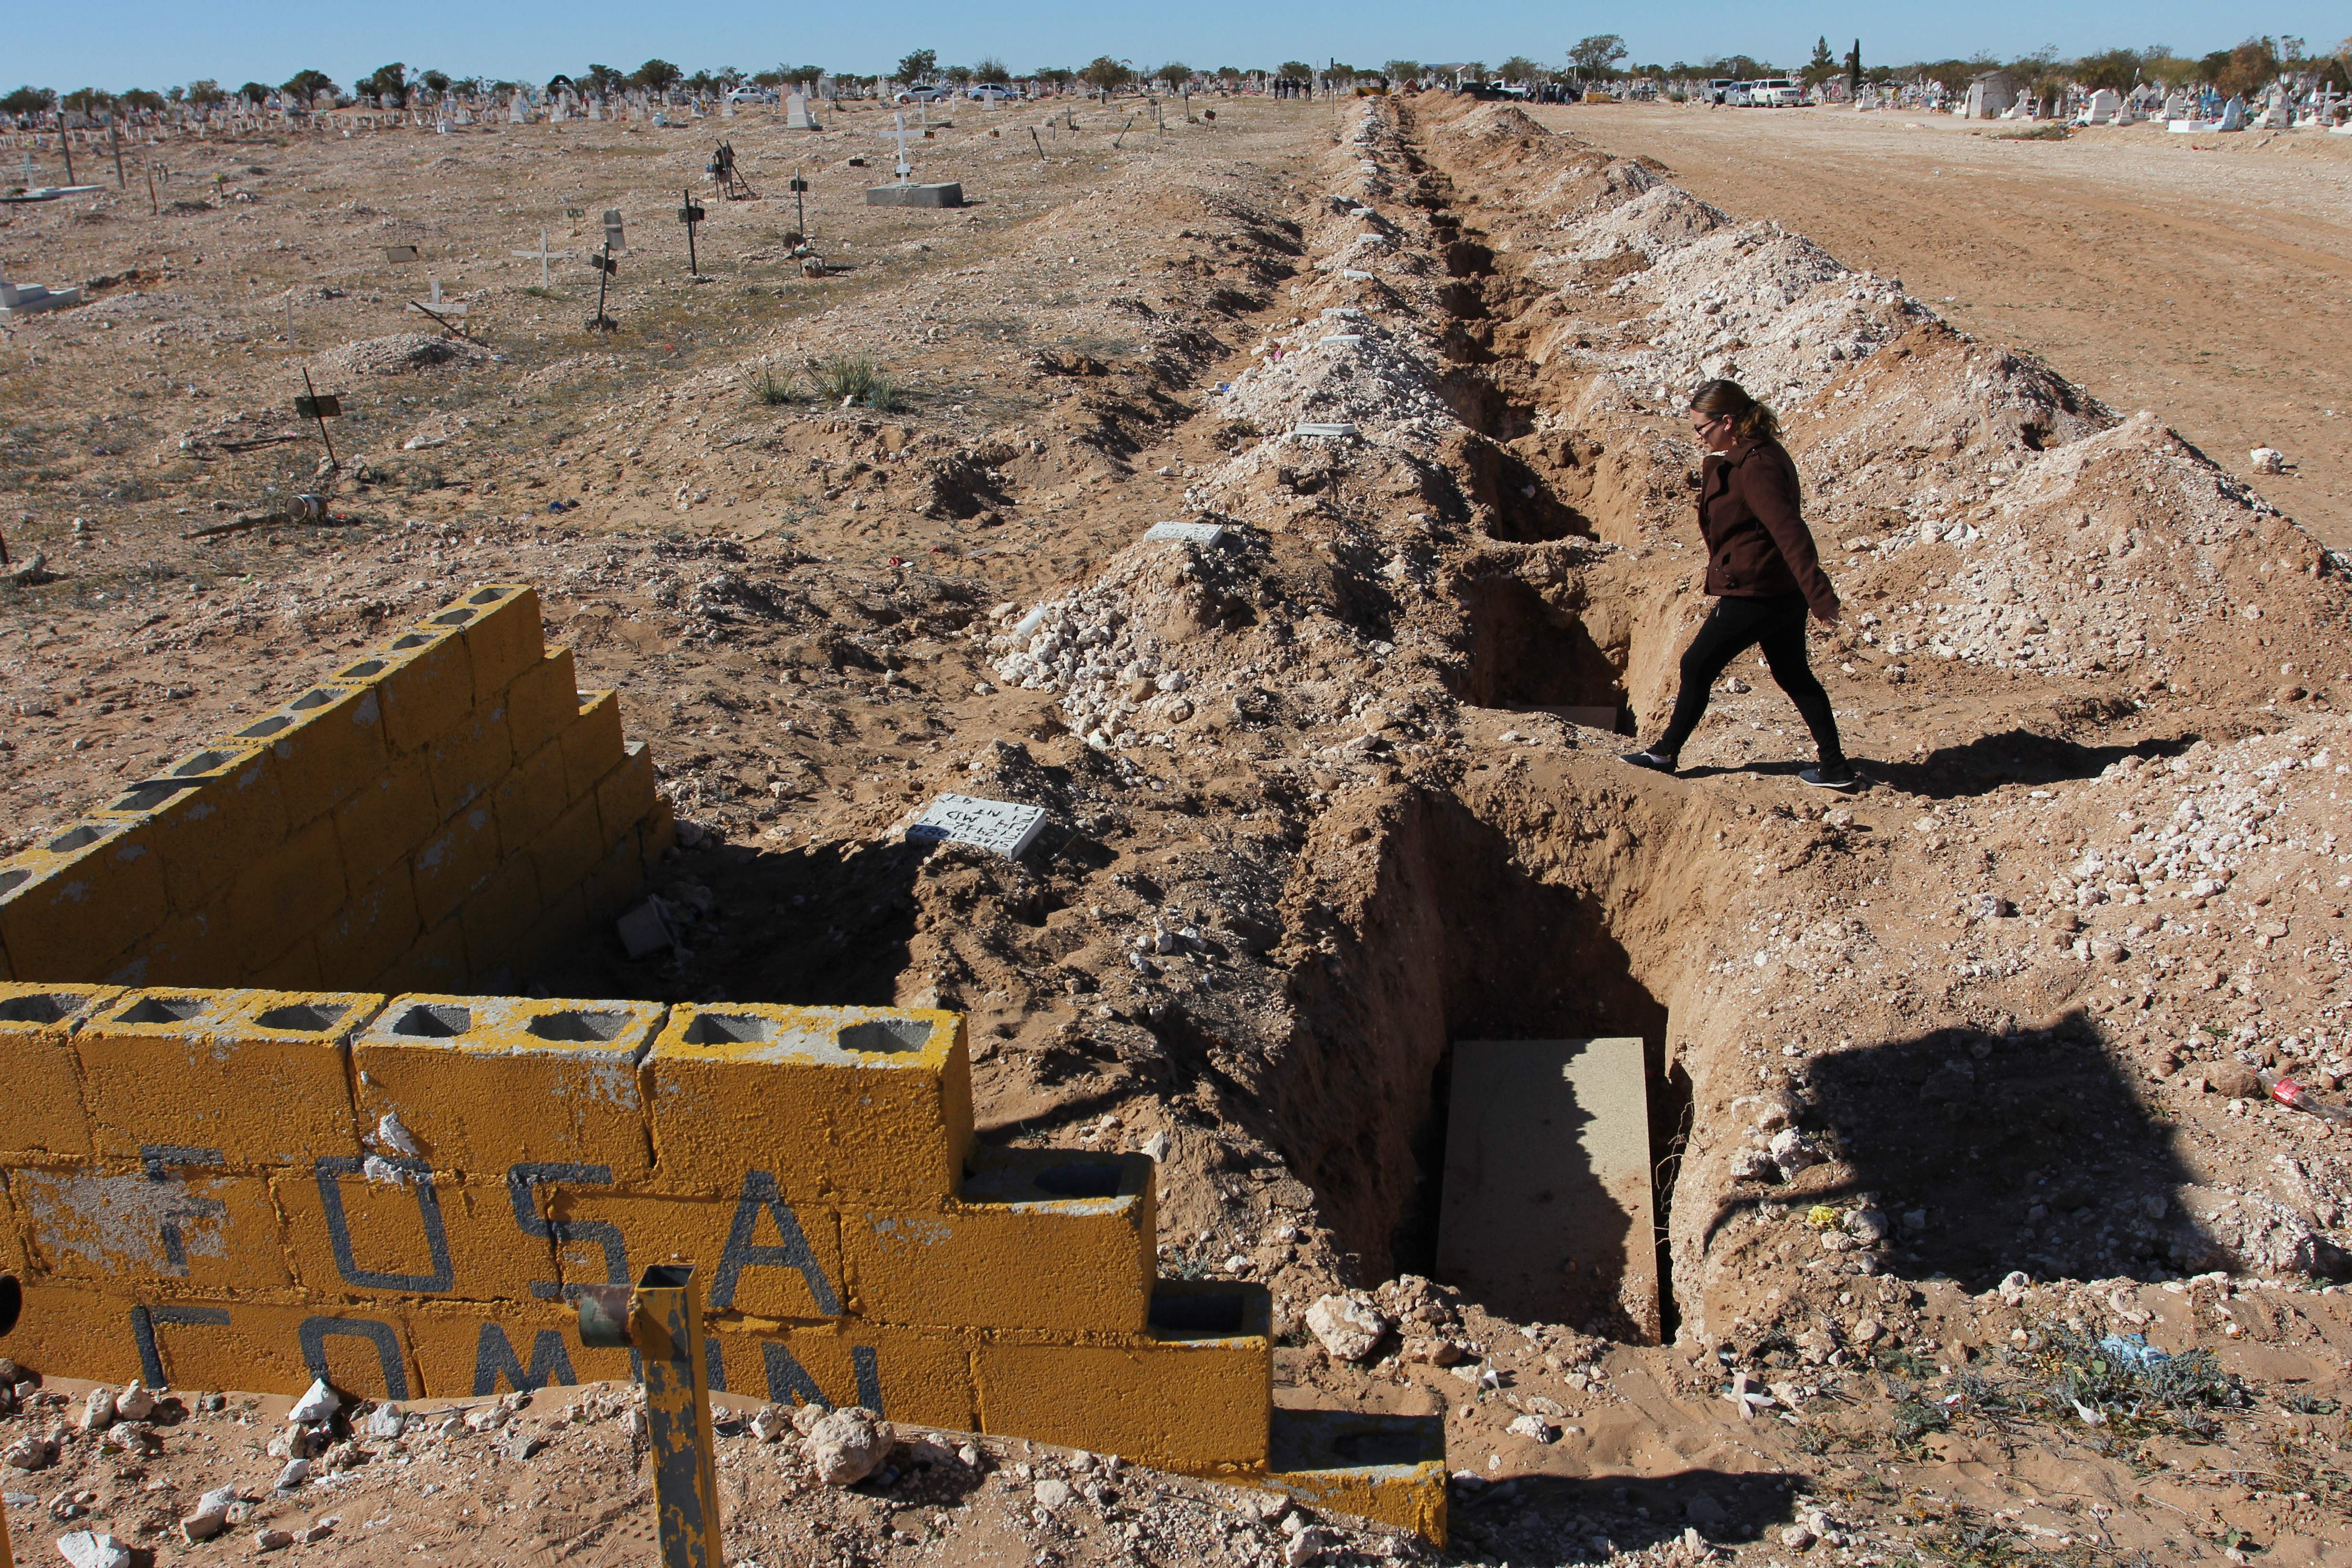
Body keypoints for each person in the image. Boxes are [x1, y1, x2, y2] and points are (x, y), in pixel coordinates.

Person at [1622, 378, 1858, 790]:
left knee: (1697, 664)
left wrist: (1820, 596)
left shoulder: (1757, 467)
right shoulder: (1755, 455)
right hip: (1777, 588)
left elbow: (1790, 532)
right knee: (1793, 673)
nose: (1697, 436)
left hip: (1757, 591)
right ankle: (1835, 768)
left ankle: (1663, 753)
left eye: (1701, 428)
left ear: (1727, 421)